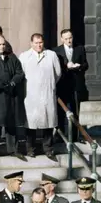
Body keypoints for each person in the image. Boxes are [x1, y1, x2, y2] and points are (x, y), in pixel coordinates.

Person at [19, 33, 61, 161]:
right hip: (30, 95)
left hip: (47, 93)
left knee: (48, 123)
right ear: (31, 43)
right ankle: (30, 149)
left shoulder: (51, 55)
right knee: (31, 123)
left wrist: (49, 85)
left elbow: (58, 73)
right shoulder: (24, 56)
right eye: (36, 43)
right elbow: (20, 74)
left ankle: (48, 149)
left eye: (41, 42)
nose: (39, 45)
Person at [54, 29, 88, 143]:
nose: (69, 40)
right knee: (61, 111)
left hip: (76, 85)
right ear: (62, 39)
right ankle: (60, 135)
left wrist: (79, 66)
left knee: (75, 110)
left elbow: (85, 64)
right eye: (66, 38)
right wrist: (65, 67)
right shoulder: (56, 51)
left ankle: (75, 136)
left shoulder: (80, 48)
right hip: (62, 84)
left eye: (70, 38)